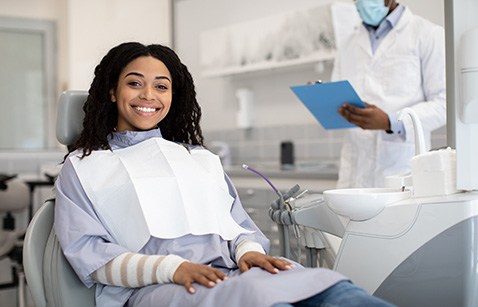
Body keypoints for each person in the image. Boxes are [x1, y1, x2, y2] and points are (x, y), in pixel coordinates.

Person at [54, 42, 394, 307]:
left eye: (161, 86)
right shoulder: (85, 167)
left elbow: (238, 227)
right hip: (162, 287)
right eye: (134, 83)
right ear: (112, 92)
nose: (149, 96)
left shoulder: (199, 158)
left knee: (336, 291)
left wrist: (249, 253)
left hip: (238, 273)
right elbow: (92, 257)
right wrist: (172, 268)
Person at [332, 0, 446, 188]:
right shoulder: (347, 44)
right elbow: (338, 95)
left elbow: (444, 103)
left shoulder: (428, 34)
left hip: (402, 170)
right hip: (353, 175)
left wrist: (390, 121)